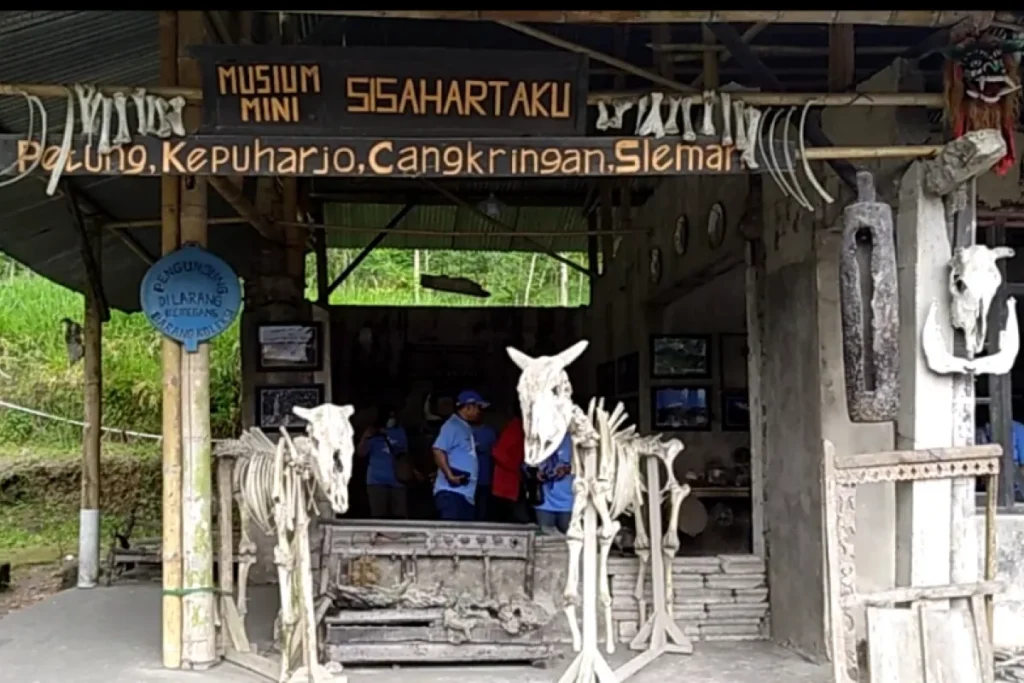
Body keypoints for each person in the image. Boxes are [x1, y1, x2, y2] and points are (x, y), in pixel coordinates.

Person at [432, 389, 488, 522]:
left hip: (465, 494)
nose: (479, 411)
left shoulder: (465, 426)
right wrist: (450, 475)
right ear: (468, 407)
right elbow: (438, 449)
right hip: (452, 494)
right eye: (477, 407)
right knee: (451, 537)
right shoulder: (452, 425)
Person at [358, 404, 409, 519]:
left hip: (397, 479)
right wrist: (365, 437)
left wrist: (386, 433)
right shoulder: (371, 432)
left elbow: (404, 452)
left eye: (393, 416)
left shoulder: (400, 432)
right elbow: (361, 453)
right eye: (389, 416)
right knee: (378, 516)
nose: (391, 419)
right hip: (376, 481)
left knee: (400, 517)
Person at [491, 408, 531, 524]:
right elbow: (498, 452)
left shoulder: (523, 428)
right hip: (508, 485)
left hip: (515, 483)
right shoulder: (515, 427)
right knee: (518, 521)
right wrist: (517, 469)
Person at [533, 433, 575, 534]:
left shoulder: (575, 438)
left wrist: (567, 469)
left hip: (569, 500)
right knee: (544, 540)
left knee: (570, 539)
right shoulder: (539, 436)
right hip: (544, 500)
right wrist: (535, 472)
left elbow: (588, 464)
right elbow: (527, 462)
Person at [473, 418, 499, 522]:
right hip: (466, 479)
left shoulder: (489, 432)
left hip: (484, 476)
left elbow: (497, 454)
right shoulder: (463, 431)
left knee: (482, 509)